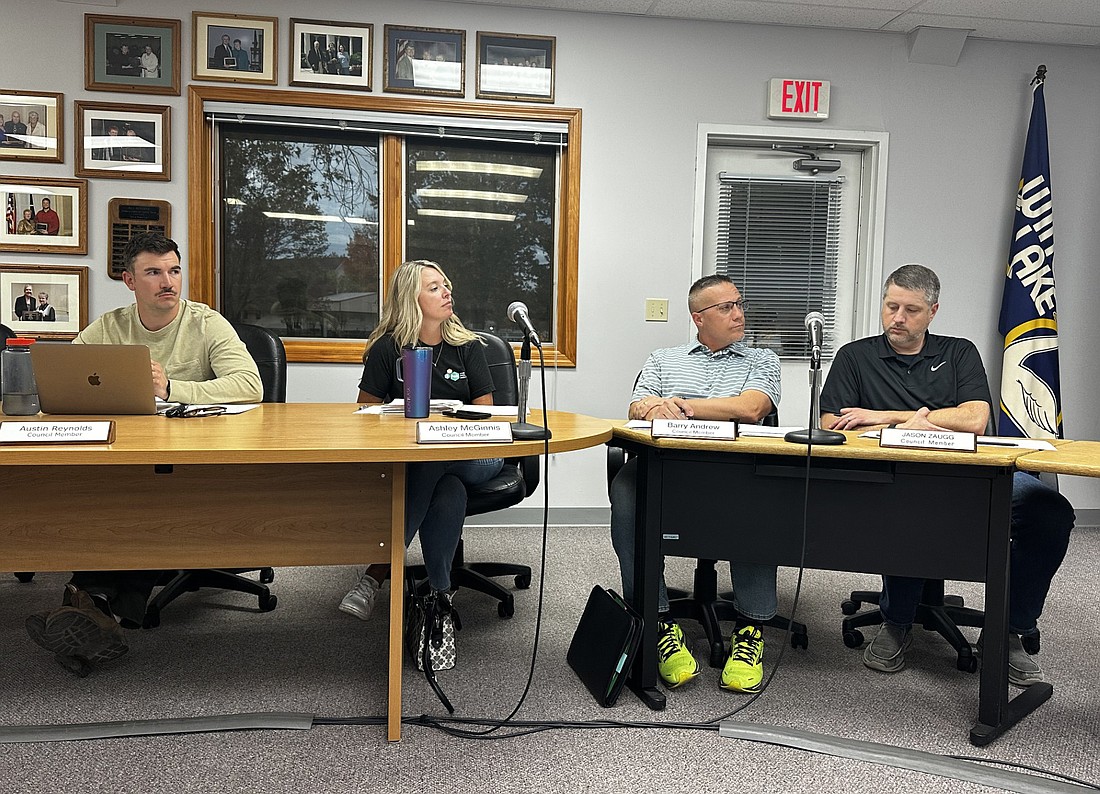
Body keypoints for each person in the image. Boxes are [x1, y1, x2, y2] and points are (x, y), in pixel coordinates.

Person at [819, 263, 1075, 686]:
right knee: (914, 501)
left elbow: (975, 418)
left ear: (933, 311)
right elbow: (833, 423)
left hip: (974, 471)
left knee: (1050, 512)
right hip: (897, 474)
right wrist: (923, 425)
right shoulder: (855, 356)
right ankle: (897, 621)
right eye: (891, 306)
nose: (898, 318)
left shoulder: (959, 352)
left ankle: (1010, 628)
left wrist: (888, 417)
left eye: (911, 310)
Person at [24, 232, 263, 672]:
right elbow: (62, 378)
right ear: (130, 281)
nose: (167, 281)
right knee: (110, 496)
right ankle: (93, 614)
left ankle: (90, 607)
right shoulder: (110, 326)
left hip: (196, 458)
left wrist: (171, 387)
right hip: (129, 454)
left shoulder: (206, 323)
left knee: (144, 503)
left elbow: (251, 385)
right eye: (153, 272)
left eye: (173, 270)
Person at [609, 274, 782, 693]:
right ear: (698, 318)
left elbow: (752, 408)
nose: (739, 314)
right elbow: (637, 404)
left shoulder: (761, 360)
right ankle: (659, 622)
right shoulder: (664, 358)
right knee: (628, 491)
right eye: (726, 307)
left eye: (739, 304)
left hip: (738, 470)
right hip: (667, 467)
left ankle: (751, 630)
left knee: (767, 500)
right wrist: (653, 407)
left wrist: (682, 405)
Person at [340, 261, 504, 650]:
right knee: (446, 489)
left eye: (446, 285)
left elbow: (489, 416)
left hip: (478, 457)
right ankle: (441, 599)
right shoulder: (388, 349)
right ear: (411, 298)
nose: (447, 292)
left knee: (432, 464)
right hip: (430, 462)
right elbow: (364, 415)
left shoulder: (468, 347)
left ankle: (375, 574)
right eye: (434, 288)